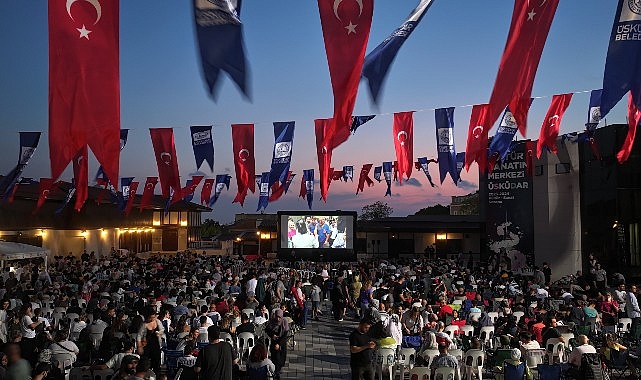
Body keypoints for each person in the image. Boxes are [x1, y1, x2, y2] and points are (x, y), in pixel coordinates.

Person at [136, 307, 164, 373]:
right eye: (151, 317)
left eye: (153, 317)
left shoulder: (157, 321)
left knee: (156, 360)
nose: (152, 319)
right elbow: (139, 336)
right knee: (146, 360)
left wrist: (159, 333)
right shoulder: (144, 324)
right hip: (147, 344)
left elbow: (162, 329)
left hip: (156, 343)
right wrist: (139, 346)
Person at [265, 309, 289, 379]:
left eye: (279, 317)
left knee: (280, 357)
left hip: (281, 342)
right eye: (277, 317)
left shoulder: (284, 322)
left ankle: (278, 370)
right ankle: (275, 371)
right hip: (274, 340)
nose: (278, 319)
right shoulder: (272, 321)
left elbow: (285, 335)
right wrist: (272, 335)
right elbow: (268, 330)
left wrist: (279, 344)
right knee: (275, 357)